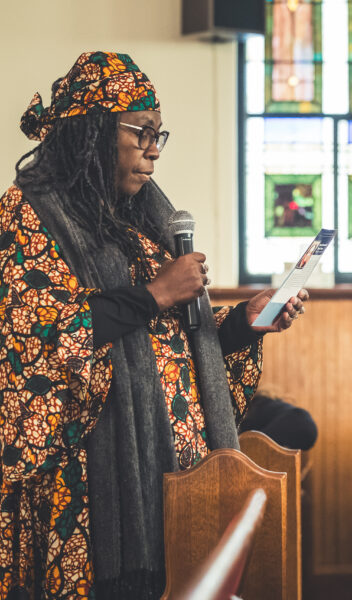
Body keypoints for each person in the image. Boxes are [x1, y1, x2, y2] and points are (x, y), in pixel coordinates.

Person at [0, 51, 308, 599]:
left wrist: (241, 323)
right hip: (89, 485)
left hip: (173, 474)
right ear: (93, 132)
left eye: (159, 136)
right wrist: (156, 291)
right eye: (141, 132)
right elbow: (37, 338)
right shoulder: (28, 215)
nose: (152, 151)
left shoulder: (136, 221)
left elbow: (168, 338)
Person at [239, 392, 318, 451]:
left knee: (259, 442)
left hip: (297, 419)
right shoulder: (267, 401)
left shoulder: (256, 408)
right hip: (303, 420)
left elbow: (255, 440)